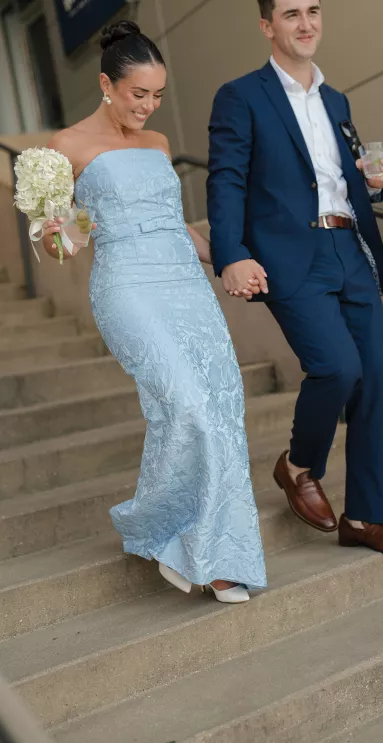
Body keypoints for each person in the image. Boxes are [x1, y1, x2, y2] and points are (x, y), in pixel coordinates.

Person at [42, 20, 267, 602]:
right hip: (128, 286)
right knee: (187, 405)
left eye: (158, 95)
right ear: (106, 85)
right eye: (138, 94)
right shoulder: (66, 146)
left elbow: (176, 224)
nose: (148, 106)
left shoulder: (159, 144)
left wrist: (229, 258)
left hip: (186, 285)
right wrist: (68, 220)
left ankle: (217, 555)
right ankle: (162, 530)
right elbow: (59, 246)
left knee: (222, 407)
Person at [207, 0, 383, 555]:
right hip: (289, 254)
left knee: (376, 379)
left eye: (313, 11)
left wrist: (371, 184)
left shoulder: (336, 99)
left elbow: (338, 179)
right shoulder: (241, 96)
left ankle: (364, 518)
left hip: (350, 246)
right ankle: (299, 465)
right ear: (267, 26)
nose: (306, 24)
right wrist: (230, 254)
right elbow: (226, 180)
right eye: (291, 14)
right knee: (337, 367)